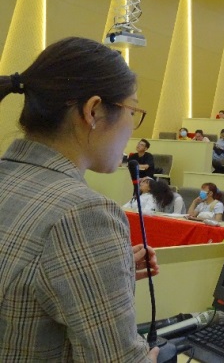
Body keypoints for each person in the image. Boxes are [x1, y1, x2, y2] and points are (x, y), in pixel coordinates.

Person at [0, 37, 158, 361]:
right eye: (132, 110)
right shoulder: (83, 214)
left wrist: (101, 269)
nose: (132, 127)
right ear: (94, 110)